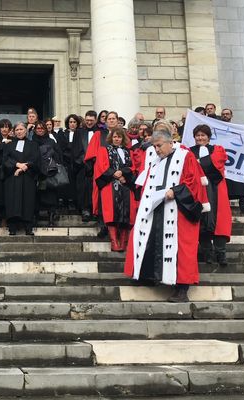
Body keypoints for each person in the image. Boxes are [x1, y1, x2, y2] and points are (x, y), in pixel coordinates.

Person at [124, 128, 207, 303]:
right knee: (150, 240)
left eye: (159, 146)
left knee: (181, 249)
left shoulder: (186, 156)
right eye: (154, 147)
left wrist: (175, 191)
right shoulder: (155, 161)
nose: (157, 150)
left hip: (179, 210)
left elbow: (193, 182)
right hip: (158, 209)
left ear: (170, 142)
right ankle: (149, 276)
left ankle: (182, 289)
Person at [190, 124, 232, 266]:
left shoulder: (217, 149)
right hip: (198, 191)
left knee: (219, 221)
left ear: (208, 137)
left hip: (216, 188)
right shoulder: (189, 152)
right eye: (198, 135)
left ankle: (221, 254)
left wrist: (198, 163)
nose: (200, 138)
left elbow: (216, 162)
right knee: (202, 221)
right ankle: (207, 253)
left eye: (203, 135)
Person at [93, 127, 136, 251]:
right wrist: (114, 173)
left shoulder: (129, 151)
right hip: (109, 184)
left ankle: (123, 242)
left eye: (119, 137)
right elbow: (101, 166)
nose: (117, 139)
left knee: (126, 214)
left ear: (123, 138)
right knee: (111, 214)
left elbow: (132, 167)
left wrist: (123, 174)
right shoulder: (104, 150)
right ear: (111, 138)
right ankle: (114, 242)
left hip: (125, 185)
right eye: (115, 137)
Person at [3, 122, 40, 235]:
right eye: (17, 129)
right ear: (14, 131)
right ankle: (12, 227)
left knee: (27, 201)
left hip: (28, 177)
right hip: (12, 177)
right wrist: (17, 164)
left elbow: (36, 159)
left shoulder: (33, 144)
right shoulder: (9, 144)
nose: (19, 131)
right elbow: (5, 159)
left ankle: (28, 227)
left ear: (26, 130)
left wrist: (25, 167)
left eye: (21, 129)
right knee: (13, 201)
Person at [32, 121, 63, 226]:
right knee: (36, 196)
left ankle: (51, 219)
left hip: (50, 173)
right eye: (38, 128)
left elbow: (58, 154)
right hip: (37, 173)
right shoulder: (31, 141)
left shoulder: (51, 141)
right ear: (35, 130)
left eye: (42, 128)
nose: (40, 130)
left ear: (45, 130)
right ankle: (35, 218)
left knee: (51, 196)